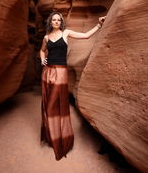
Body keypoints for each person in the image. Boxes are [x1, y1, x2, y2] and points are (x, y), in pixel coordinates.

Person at [40, 11, 106, 160]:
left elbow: (86, 35)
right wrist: (42, 59)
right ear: (50, 22)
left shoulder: (66, 33)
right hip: (47, 71)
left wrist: (99, 24)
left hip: (61, 71)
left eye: (58, 20)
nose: (56, 22)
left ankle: (60, 139)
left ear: (61, 22)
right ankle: (53, 136)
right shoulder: (46, 37)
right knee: (48, 104)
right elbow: (42, 51)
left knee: (53, 106)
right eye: (54, 20)